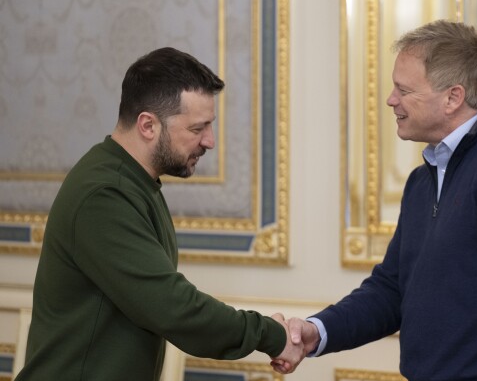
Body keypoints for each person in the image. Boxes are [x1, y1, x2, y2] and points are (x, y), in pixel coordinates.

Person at [274, 20, 477, 380]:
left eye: (403, 89)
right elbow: (391, 291)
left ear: (452, 98)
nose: (390, 100)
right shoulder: (422, 179)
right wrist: (317, 332)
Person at [15, 47, 303, 381]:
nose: (209, 141)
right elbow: (174, 308)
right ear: (148, 125)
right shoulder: (105, 194)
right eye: (197, 129)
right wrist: (270, 334)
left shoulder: (134, 182)